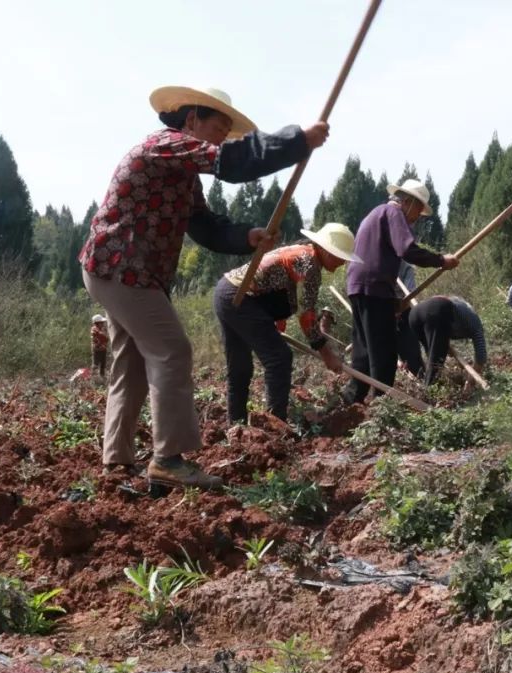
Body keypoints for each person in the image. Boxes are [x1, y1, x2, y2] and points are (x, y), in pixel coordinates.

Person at [78, 84, 329, 488]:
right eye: (218, 127)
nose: (220, 138)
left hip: (124, 272)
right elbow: (233, 163)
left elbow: (206, 226)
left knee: (133, 360)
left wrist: (245, 236)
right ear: (191, 119)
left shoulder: (182, 172)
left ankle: (117, 460)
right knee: (172, 351)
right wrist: (297, 141)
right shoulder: (166, 146)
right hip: (122, 268)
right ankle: (168, 461)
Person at [215, 223, 359, 424]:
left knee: (240, 366)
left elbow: (278, 294)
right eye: (340, 256)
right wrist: (327, 355)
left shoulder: (302, 254)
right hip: (240, 297)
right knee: (279, 358)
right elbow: (306, 315)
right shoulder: (310, 264)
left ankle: (236, 425)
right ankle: (276, 425)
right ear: (326, 251)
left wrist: (276, 330)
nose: (342, 262)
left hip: (225, 293)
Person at [343, 179, 459, 403]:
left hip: (359, 287)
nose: (417, 217)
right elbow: (407, 250)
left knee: (364, 353)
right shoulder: (393, 213)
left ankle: (350, 402)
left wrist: (392, 298)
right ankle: (381, 408)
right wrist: (441, 260)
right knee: (385, 354)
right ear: (408, 202)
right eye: (418, 209)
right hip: (374, 289)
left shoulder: (376, 213)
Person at [408, 296, 488, 386]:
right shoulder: (476, 327)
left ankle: (430, 386)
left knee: (432, 357)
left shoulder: (460, 313)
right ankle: (427, 394)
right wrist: (470, 383)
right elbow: (481, 357)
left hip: (415, 314)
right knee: (436, 361)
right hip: (436, 310)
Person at [395, 260, 424, 377]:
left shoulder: (406, 268)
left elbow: (410, 294)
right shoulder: (379, 264)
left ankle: (419, 376)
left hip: (404, 310)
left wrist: (399, 309)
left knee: (411, 351)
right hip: (385, 311)